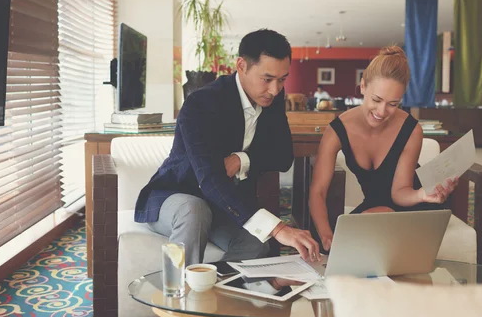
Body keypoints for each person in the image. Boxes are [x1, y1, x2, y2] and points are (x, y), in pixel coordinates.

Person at [135, 28, 320, 265]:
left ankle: (216, 292)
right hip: (175, 196)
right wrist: (276, 227)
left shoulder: (272, 100)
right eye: (267, 79)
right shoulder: (201, 104)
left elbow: (283, 156)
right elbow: (210, 179)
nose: (275, 89)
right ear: (241, 65)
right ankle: (181, 295)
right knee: (194, 209)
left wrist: (242, 159)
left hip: (222, 205)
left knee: (256, 243)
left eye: (282, 79)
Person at [308, 46, 457, 252]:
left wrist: (423, 194)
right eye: (376, 100)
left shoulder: (411, 130)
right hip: (374, 207)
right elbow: (318, 191)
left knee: (367, 223)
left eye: (393, 104)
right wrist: (326, 235)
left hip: (414, 204)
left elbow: (400, 193)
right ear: (362, 86)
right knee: (342, 238)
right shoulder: (337, 130)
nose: (381, 111)